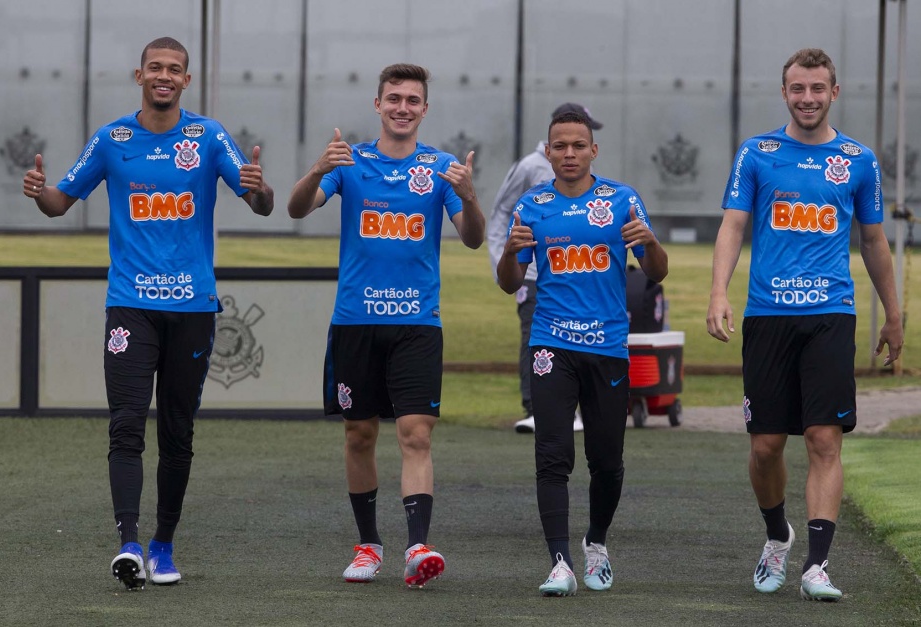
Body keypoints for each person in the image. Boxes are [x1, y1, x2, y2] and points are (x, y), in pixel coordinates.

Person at [22, 36, 274, 590]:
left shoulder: (208, 136)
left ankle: (164, 544)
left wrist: (259, 188)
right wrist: (39, 192)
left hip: (193, 309)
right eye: (155, 67)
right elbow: (61, 202)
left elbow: (259, 201)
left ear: (187, 79)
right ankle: (129, 545)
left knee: (179, 432)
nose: (165, 75)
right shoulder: (112, 139)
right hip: (130, 307)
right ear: (139, 75)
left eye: (175, 69)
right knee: (126, 424)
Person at [706, 48, 903, 602]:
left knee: (823, 438)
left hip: (831, 317)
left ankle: (817, 566)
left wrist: (893, 314)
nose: (808, 98)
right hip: (768, 316)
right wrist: (719, 292)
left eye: (818, 88)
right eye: (798, 89)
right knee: (767, 445)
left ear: (834, 92)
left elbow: (873, 241)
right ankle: (777, 536)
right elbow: (733, 226)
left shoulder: (858, 159)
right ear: (785, 92)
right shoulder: (757, 153)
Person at [286, 63, 485, 588]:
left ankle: (418, 545)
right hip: (355, 322)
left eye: (412, 100)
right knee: (359, 434)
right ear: (378, 105)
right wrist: (315, 169)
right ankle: (369, 544)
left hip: (417, 324)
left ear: (425, 108)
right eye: (393, 98)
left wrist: (468, 195)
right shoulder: (348, 162)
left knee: (416, 434)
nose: (402, 107)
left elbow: (471, 238)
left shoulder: (441, 168)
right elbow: (297, 208)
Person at [497, 111, 668, 596]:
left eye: (578, 145)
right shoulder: (533, 205)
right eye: (559, 146)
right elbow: (510, 281)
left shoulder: (622, 199)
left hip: (608, 349)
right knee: (552, 455)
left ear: (594, 150)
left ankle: (597, 545)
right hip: (551, 344)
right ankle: (559, 561)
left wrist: (651, 243)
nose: (568, 153)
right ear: (547, 153)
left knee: (607, 460)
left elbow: (658, 270)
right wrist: (511, 252)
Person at [488, 103, 603, 434]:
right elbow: (501, 212)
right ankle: (534, 408)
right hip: (533, 273)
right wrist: (502, 262)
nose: (573, 149)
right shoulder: (530, 166)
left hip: (574, 271)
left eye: (582, 138)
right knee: (533, 337)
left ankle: (575, 409)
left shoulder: (581, 165)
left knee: (579, 336)